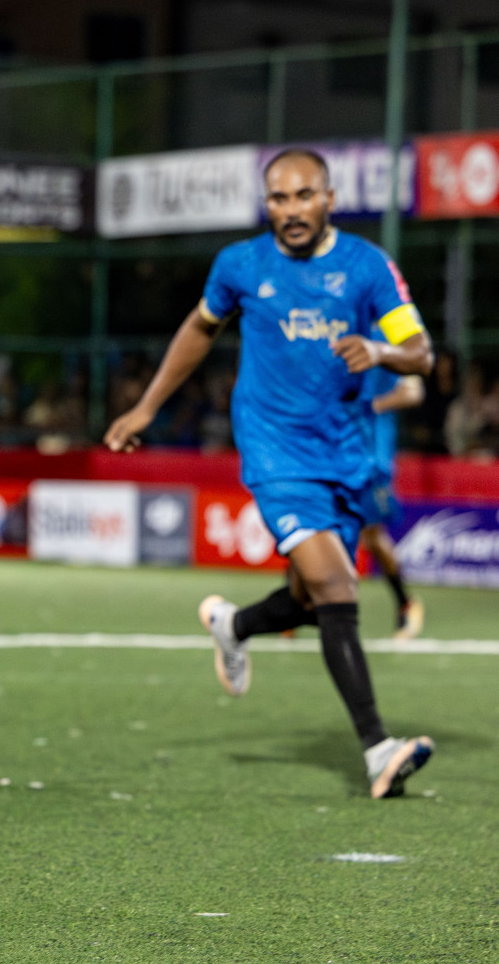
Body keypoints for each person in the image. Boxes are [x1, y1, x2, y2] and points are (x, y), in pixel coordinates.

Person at [104, 148, 435, 799]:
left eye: (304, 195)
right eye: (279, 199)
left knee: (312, 600)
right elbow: (199, 328)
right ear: (267, 206)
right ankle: (377, 750)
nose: (292, 210)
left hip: (345, 455)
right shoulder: (240, 265)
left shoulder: (367, 267)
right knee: (337, 589)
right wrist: (146, 406)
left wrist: (380, 351)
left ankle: (234, 626)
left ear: (329, 199)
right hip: (275, 452)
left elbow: (420, 354)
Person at [358, 339, 425, 639]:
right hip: (337, 455)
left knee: (373, 536)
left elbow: (413, 392)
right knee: (316, 525)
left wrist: (372, 406)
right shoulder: (336, 329)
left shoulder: (390, 339)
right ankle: (293, 609)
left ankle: (405, 603)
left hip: (373, 460)